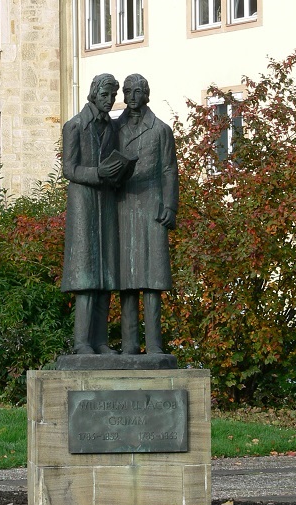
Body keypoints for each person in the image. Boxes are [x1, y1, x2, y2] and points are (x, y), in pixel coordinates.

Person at [61, 74, 124, 354]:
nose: (110, 100)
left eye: (113, 96)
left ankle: (100, 341)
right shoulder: (74, 126)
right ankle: (82, 343)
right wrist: (98, 173)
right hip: (84, 205)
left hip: (106, 204)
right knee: (86, 276)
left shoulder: (111, 128)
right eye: (105, 95)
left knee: (106, 275)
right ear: (94, 93)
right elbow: (69, 169)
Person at [117, 74, 179, 354]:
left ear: (146, 94)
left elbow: (168, 169)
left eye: (137, 91)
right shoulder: (114, 129)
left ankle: (154, 345)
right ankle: (129, 346)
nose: (132, 96)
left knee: (152, 278)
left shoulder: (160, 130)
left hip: (153, 203)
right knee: (127, 279)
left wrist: (170, 206)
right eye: (128, 91)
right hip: (123, 205)